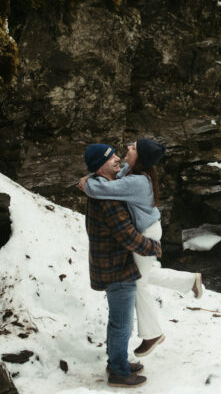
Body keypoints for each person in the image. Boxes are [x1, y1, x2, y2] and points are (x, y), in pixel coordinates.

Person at [80, 138, 203, 358]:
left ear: (140, 157)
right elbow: (112, 176)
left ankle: (152, 334)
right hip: (149, 228)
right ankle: (189, 281)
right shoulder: (131, 170)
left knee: (138, 282)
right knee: (144, 274)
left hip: (147, 233)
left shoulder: (136, 181)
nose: (127, 148)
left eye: (133, 148)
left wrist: (88, 181)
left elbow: (101, 188)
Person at [82, 142, 162, 388]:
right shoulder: (109, 199)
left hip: (112, 262)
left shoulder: (109, 188)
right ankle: (118, 370)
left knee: (119, 319)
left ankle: (117, 361)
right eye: (111, 157)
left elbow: (124, 170)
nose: (118, 159)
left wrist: (88, 180)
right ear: (100, 166)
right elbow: (127, 235)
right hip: (116, 267)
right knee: (121, 322)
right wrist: (154, 248)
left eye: (118, 154)